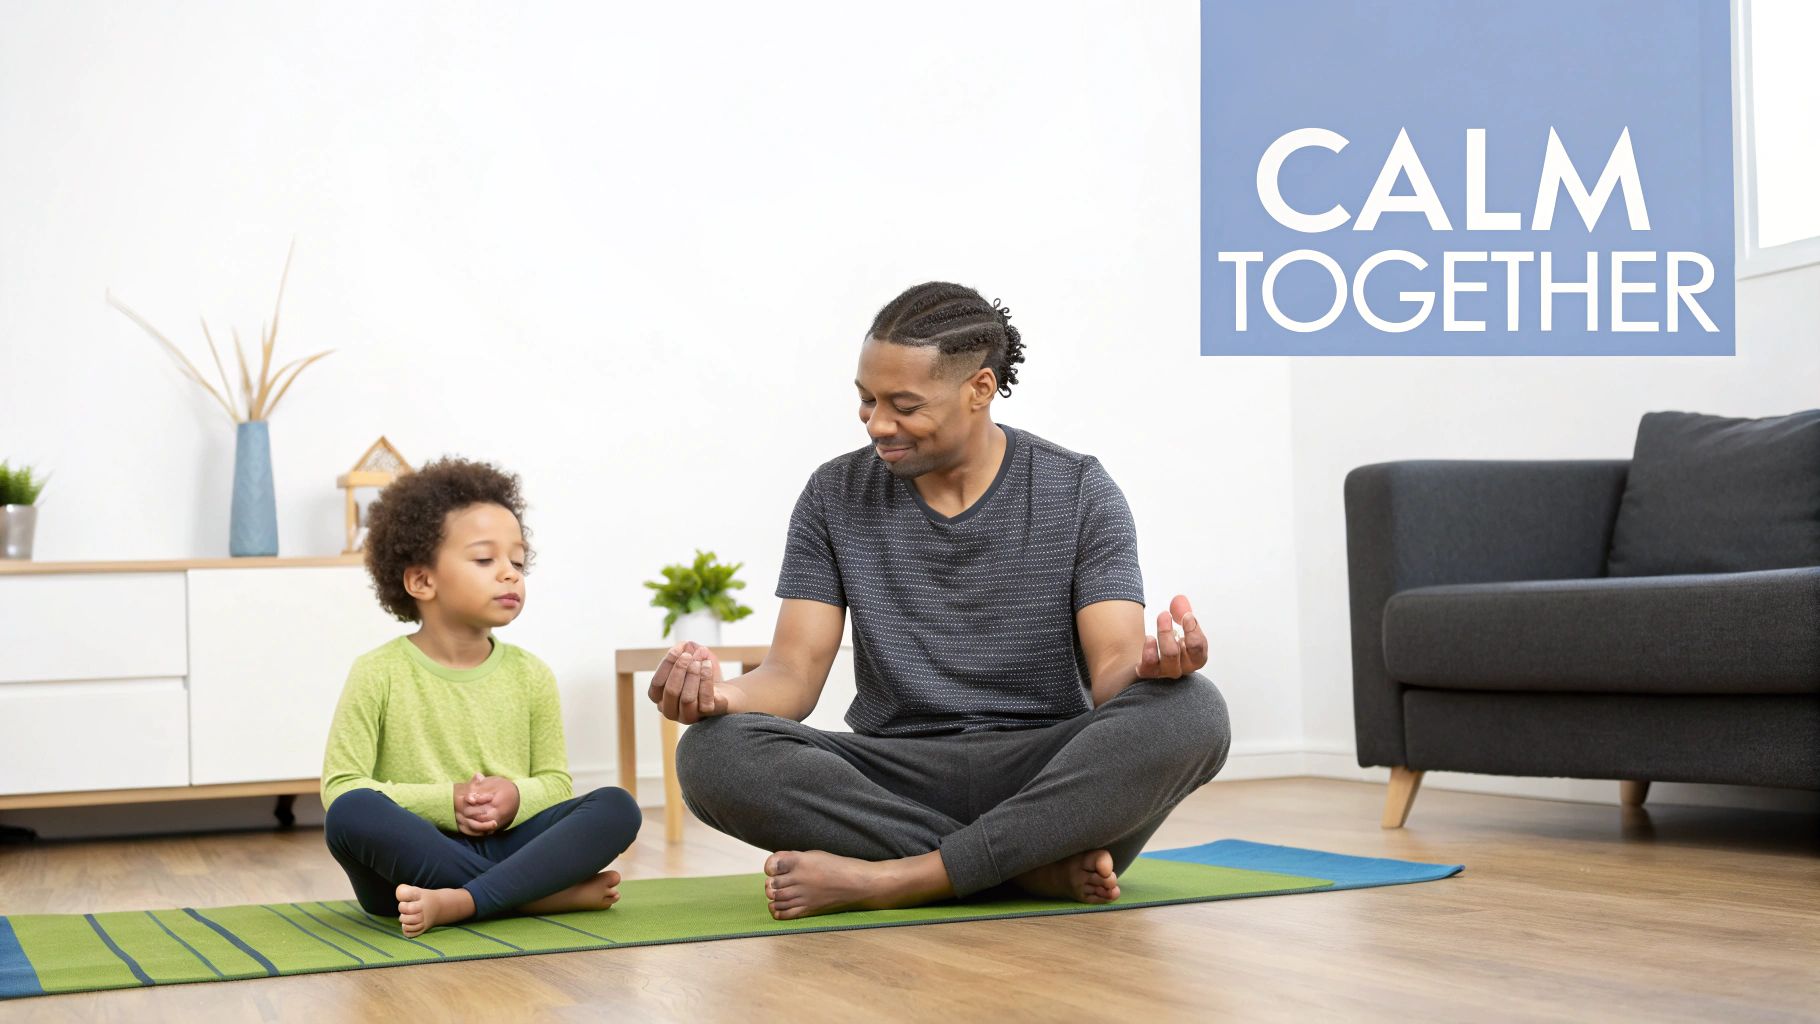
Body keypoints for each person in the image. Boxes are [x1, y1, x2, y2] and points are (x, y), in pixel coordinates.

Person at [653, 282, 1230, 920]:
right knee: (712, 754)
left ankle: (901, 878)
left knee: (1193, 711)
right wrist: (719, 698)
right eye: (867, 401)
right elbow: (792, 674)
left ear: (979, 389)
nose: (878, 423)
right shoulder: (834, 494)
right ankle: (1019, 868)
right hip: (894, 772)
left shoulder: (1078, 490)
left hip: (1046, 767)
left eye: (903, 404)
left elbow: (1116, 669)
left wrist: (1155, 671)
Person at [320, 458, 642, 937]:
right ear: (421, 581)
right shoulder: (377, 671)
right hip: (411, 862)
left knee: (618, 807)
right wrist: (447, 801)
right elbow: (341, 787)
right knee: (351, 814)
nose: (510, 574)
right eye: (485, 559)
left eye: (517, 560)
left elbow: (555, 783)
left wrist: (514, 796)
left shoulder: (532, 675)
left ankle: (464, 901)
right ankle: (536, 897)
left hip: (512, 845)